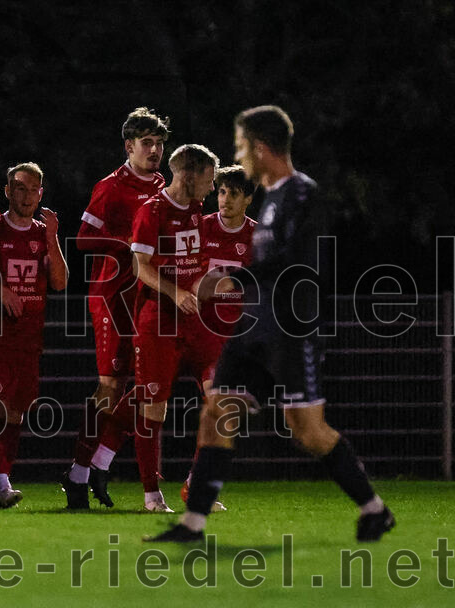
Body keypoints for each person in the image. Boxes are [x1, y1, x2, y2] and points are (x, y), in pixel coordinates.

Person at [148, 105, 395, 542]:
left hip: (290, 329)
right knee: (216, 411)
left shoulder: (303, 194)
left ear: (261, 148)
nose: (239, 154)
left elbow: (296, 264)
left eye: (243, 145)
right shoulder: (269, 198)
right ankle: (193, 523)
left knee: (308, 432)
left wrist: (232, 279)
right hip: (252, 330)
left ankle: (375, 509)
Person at [64, 145, 219, 512]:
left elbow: (193, 259)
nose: (212, 189)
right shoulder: (151, 209)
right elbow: (141, 267)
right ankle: (136, 488)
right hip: (149, 316)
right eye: (210, 180)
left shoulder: (196, 209)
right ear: (191, 175)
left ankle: (197, 481)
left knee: (221, 396)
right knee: (142, 400)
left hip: (193, 320)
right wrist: (178, 291)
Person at [63, 108, 170, 508]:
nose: (154, 150)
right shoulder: (111, 187)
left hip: (146, 299)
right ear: (129, 146)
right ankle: (77, 472)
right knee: (110, 388)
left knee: (146, 387)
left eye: (159, 143)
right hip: (111, 297)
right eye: (147, 143)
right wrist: (125, 246)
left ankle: (101, 463)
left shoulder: (163, 185)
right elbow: (83, 240)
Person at [0, 162, 67, 508]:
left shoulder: (42, 234)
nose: (25, 195)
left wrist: (51, 236)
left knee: (17, 412)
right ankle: (1, 481)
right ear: (7, 192)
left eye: (32, 189)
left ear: (41, 194)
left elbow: (60, 282)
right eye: (18, 188)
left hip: (29, 338)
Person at [179, 164, 258, 512]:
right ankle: (91, 466)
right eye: (222, 191)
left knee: (220, 408)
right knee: (143, 398)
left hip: (223, 340)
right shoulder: (201, 226)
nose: (224, 199)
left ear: (248, 200)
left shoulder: (258, 237)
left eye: (234, 194)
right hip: (183, 328)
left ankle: (196, 484)